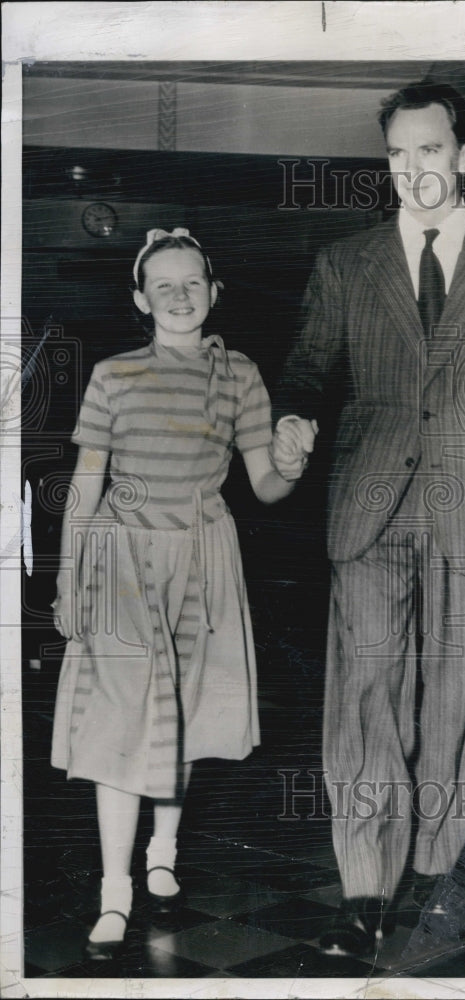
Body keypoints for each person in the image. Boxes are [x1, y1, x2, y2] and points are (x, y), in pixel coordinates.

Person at [274, 81, 465, 957]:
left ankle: (435, 868)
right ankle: (365, 885)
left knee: (454, 703)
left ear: (464, 157)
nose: (411, 169)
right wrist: (293, 419)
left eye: (428, 150)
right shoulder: (346, 261)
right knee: (366, 697)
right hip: (368, 509)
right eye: (397, 153)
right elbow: (305, 370)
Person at [50, 228, 316, 960]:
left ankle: (161, 850)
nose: (178, 294)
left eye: (191, 280)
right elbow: (84, 485)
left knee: (184, 712)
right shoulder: (112, 374)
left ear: (213, 289)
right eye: (162, 284)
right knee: (118, 724)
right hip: (122, 561)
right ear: (141, 299)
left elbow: (265, 486)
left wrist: (291, 460)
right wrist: (68, 578)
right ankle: (114, 890)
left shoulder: (242, 376)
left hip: (204, 557)